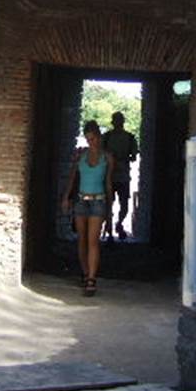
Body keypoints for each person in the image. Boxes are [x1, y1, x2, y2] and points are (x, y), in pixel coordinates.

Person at [62, 119, 113, 297]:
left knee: (93, 241)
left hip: (98, 201)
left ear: (99, 137)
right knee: (81, 240)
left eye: (94, 138)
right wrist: (66, 197)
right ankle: (85, 273)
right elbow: (72, 178)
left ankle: (92, 278)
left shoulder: (107, 157)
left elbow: (108, 183)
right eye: (88, 139)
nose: (91, 142)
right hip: (81, 201)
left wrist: (110, 208)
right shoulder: (80, 156)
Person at [102, 111, 138, 241]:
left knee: (124, 206)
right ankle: (110, 230)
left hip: (122, 176)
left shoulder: (130, 138)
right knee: (108, 205)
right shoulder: (106, 137)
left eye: (119, 120)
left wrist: (121, 158)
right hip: (109, 176)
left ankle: (118, 224)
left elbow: (134, 156)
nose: (118, 123)